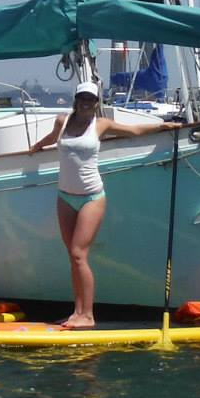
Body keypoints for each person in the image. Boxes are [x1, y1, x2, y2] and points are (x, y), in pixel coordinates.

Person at [29, 80, 185, 328]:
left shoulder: (100, 124)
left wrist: (163, 126)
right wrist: (38, 146)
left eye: (91, 99)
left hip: (91, 196)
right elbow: (51, 137)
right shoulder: (62, 121)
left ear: (96, 102)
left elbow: (132, 131)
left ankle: (88, 316)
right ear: (76, 99)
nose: (86, 103)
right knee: (72, 257)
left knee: (80, 255)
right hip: (65, 196)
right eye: (82, 98)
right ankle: (77, 312)